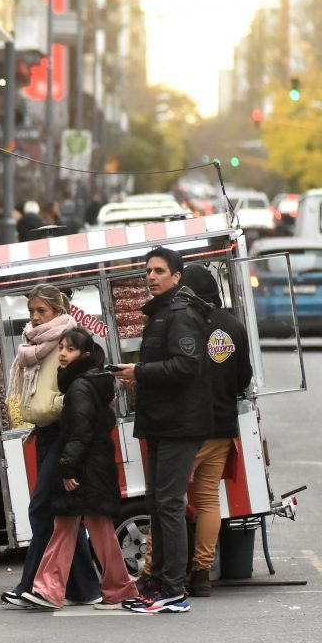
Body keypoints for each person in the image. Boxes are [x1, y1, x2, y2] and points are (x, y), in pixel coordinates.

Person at [139, 263, 253, 598]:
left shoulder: (188, 321)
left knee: (166, 500)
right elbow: (243, 379)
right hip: (223, 425)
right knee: (207, 500)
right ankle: (202, 573)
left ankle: (152, 571)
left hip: (190, 425)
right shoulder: (232, 325)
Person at [111, 247, 212, 614]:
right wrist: (135, 376)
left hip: (179, 425)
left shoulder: (180, 314)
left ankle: (173, 589)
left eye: (158, 271)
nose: (151, 277)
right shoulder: (161, 313)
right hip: (161, 422)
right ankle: (157, 583)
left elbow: (185, 366)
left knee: (169, 505)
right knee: (157, 503)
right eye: (147, 271)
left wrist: (138, 373)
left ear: (177, 276)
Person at [21, 328, 137, 611]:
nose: (62, 353)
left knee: (79, 527)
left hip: (85, 468)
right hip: (94, 466)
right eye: (61, 347)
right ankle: (57, 588)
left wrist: (69, 468)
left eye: (69, 349)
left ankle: (57, 588)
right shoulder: (89, 382)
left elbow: (80, 431)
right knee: (79, 527)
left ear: (84, 355)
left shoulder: (79, 387)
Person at [1, 284, 102, 608]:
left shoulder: (70, 338)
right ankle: (86, 588)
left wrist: (60, 404)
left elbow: (87, 381)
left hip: (63, 429)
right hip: (43, 431)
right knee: (63, 511)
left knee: (41, 508)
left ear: (58, 311)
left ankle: (32, 583)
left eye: (41, 310)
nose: (34, 316)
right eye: (31, 311)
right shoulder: (33, 343)